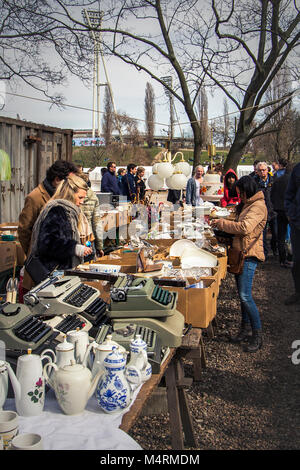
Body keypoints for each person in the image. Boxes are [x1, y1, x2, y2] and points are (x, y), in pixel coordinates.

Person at [211, 176, 267, 352]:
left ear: (247, 191)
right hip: (241, 253)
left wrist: (221, 222)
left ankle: (257, 334)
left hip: (248, 254)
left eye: (240, 193)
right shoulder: (249, 204)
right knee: (242, 296)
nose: (239, 196)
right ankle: (245, 329)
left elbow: (244, 228)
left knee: (245, 296)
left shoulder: (258, 206)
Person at [18, 160, 79, 293]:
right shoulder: (35, 197)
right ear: (57, 179)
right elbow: (24, 230)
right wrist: (36, 251)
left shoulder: (64, 197)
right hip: (41, 264)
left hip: (58, 263)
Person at [27, 174, 93, 282]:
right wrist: (75, 248)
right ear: (70, 194)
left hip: (60, 272)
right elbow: (47, 243)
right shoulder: (57, 211)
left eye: (83, 198)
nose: (82, 202)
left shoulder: (69, 212)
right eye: (80, 197)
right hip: (53, 274)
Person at [284, 162, 300, 307]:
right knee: (298, 261)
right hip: (297, 224)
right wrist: (291, 214)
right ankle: (298, 292)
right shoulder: (297, 169)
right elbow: (289, 195)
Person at [254, 161, 277, 258]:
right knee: (262, 235)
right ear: (257, 172)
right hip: (261, 212)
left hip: (273, 210)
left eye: (264, 170)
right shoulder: (254, 182)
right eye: (260, 170)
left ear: (267, 170)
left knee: (275, 233)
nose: (262, 172)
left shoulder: (274, 181)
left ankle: (275, 249)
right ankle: (264, 253)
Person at [271, 162, 291, 267]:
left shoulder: (277, 181)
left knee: (281, 236)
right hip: (292, 211)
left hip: (279, 210)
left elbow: (272, 196)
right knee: (293, 236)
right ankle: (291, 257)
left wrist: (276, 206)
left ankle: (282, 260)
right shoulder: (293, 181)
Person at [80, 172, 104, 258]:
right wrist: (99, 246)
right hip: (88, 240)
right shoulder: (93, 197)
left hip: (73, 241)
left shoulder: (67, 196)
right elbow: (97, 224)